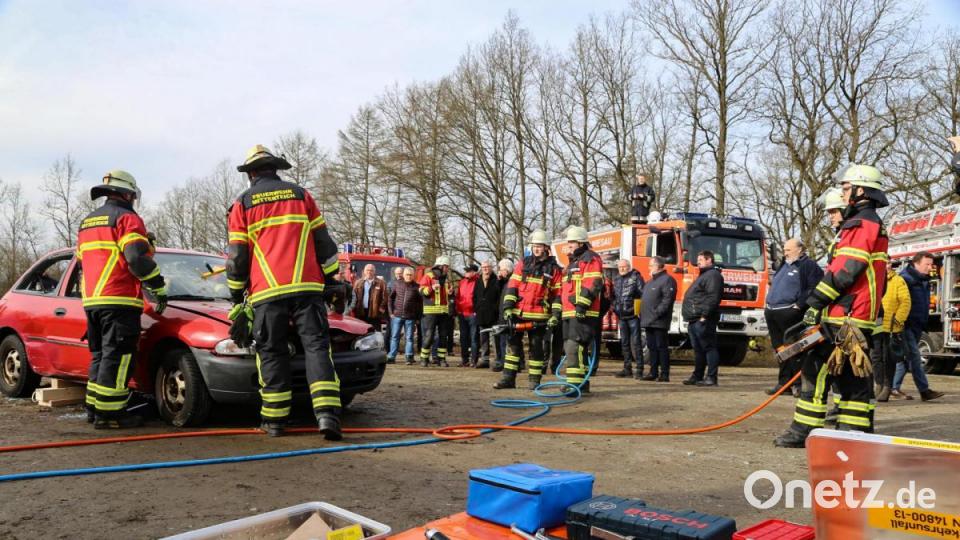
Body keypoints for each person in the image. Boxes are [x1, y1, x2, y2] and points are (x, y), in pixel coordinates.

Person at [226, 145, 342, 440]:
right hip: (307, 287)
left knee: (272, 352)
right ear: (274, 168)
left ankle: (275, 421)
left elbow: (238, 256)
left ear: (251, 173)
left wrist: (236, 294)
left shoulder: (242, 204)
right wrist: (331, 278)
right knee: (317, 348)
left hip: (267, 291)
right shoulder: (302, 196)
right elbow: (325, 245)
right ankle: (327, 416)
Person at [775, 164, 890, 448]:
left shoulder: (861, 223)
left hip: (846, 314)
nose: (843, 193)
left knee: (817, 369)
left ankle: (804, 431)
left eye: (847, 188)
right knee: (852, 380)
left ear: (862, 190)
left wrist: (815, 302)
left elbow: (846, 270)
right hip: (855, 314)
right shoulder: (870, 222)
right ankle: (852, 435)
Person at [79, 170, 167, 429]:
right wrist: (158, 286)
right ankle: (112, 415)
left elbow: (88, 260)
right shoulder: (128, 218)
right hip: (119, 299)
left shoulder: (87, 222)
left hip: (93, 301)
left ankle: (95, 409)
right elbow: (136, 260)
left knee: (100, 355)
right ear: (129, 194)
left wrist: (144, 246)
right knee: (118, 357)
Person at [495, 230, 562, 390]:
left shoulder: (554, 269)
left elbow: (558, 295)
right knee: (513, 347)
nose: (536, 249)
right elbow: (513, 286)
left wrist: (555, 315)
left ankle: (534, 381)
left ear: (546, 247)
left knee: (536, 349)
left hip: (539, 316)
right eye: (534, 246)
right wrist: (508, 308)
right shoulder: (523, 264)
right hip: (518, 313)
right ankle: (508, 379)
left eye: (539, 246)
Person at [764, 238, 823, 396]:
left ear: (800, 249)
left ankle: (798, 384)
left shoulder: (808, 265)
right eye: (784, 250)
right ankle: (784, 384)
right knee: (780, 349)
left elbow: (814, 287)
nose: (785, 253)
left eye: (788, 250)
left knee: (794, 349)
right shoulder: (784, 264)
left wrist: (799, 305)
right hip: (772, 311)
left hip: (789, 313)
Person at [891, 253, 945, 401]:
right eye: (926, 264)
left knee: (904, 359)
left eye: (931, 264)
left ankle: (893, 388)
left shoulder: (923, 280)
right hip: (905, 324)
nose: (930, 267)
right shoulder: (905, 279)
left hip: (917, 324)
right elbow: (900, 302)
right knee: (914, 356)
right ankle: (924, 390)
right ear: (916, 263)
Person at [557, 226, 604, 394]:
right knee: (575, 347)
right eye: (568, 242)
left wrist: (582, 305)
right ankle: (582, 384)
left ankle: (574, 384)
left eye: (572, 242)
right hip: (570, 311)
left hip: (583, 311)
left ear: (581, 243)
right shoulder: (573, 263)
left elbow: (593, 284)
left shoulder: (590, 259)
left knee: (573, 346)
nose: (568, 245)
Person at [682, 251, 724, 387]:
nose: (697, 261)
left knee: (709, 348)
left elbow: (713, 298)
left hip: (704, 319)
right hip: (694, 319)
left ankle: (711, 377)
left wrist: (704, 316)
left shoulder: (713, 275)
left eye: (700, 259)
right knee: (698, 349)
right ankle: (697, 375)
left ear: (709, 260)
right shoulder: (705, 275)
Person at [873, 262, 910, 402]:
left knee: (889, 358)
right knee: (876, 357)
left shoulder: (898, 281)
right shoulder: (874, 279)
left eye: (888, 263)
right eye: (884, 263)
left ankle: (887, 387)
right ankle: (879, 384)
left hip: (891, 327)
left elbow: (905, 302)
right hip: (876, 325)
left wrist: (898, 320)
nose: (886, 266)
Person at [640, 256, 677, 382]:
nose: (649, 267)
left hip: (659, 320)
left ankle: (664, 374)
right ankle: (653, 372)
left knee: (661, 347)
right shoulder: (650, 282)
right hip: (648, 320)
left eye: (651, 265)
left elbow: (667, 300)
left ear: (658, 266)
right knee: (651, 347)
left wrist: (657, 313)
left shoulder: (667, 280)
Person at [612, 259, 645, 378]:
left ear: (629, 267)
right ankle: (627, 368)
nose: (622, 269)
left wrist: (638, 310)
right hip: (621, 316)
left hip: (633, 316)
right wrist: (614, 307)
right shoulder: (616, 279)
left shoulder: (636, 278)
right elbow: (613, 296)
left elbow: (643, 294)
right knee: (624, 343)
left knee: (636, 343)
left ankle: (640, 369)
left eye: (624, 266)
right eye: (620, 267)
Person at [418, 255, 452, 367]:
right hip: (430, 312)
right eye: (446, 266)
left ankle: (441, 359)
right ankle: (424, 358)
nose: (447, 269)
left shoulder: (446, 279)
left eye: (448, 267)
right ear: (440, 266)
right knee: (429, 336)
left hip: (443, 312)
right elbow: (421, 291)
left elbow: (448, 295)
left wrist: (452, 293)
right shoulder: (428, 276)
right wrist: (432, 288)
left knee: (443, 336)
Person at [388, 267, 421, 365]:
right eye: (407, 274)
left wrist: (418, 318)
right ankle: (391, 356)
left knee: (409, 338)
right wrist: (391, 312)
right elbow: (390, 298)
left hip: (410, 317)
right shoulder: (397, 284)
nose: (409, 276)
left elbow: (420, 304)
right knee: (394, 337)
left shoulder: (416, 287)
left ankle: (409, 357)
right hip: (397, 316)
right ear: (403, 275)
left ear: (413, 275)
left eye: (411, 275)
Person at [473, 259, 502, 369]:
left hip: (493, 314)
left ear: (491, 268)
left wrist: (495, 309)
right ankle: (485, 359)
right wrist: (476, 308)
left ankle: (498, 359)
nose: (485, 269)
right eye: (483, 267)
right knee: (483, 338)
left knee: (495, 338)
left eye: (487, 267)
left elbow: (499, 296)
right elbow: (475, 296)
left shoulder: (496, 280)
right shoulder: (478, 281)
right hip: (481, 313)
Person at [352, 263, 388, 343]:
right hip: (361, 312)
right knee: (361, 332)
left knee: (376, 333)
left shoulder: (381, 283)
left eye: (371, 270)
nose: (369, 272)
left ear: (374, 272)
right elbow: (353, 296)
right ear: (364, 271)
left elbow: (385, 297)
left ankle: (378, 349)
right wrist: (354, 308)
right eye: (367, 270)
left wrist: (381, 309)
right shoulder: (358, 282)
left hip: (375, 312)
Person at [455, 264, 480, 367]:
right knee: (463, 338)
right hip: (462, 314)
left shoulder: (479, 282)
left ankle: (474, 360)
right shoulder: (462, 282)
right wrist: (458, 310)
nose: (466, 273)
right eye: (466, 271)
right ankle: (464, 359)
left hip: (473, 314)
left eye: (468, 271)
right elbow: (458, 297)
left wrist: (476, 311)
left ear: (474, 272)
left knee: (474, 338)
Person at [493, 259, 514, 372]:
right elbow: (496, 292)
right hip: (502, 314)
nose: (500, 271)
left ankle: (507, 362)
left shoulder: (512, 281)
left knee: (508, 341)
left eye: (501, 269)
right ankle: (502, 361)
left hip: (509, 315)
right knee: (502, 339)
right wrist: (499, 280)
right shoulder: (504, 282)